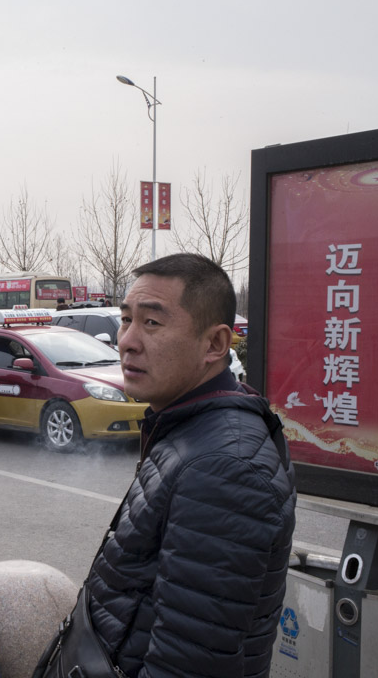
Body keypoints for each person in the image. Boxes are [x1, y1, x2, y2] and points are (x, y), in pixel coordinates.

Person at [81, 253, 295, 677]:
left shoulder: (224, 468)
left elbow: (188, 665)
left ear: (214, 345)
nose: (126, 340)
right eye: (126, 319)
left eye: (152, 323)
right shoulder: (188, 426)